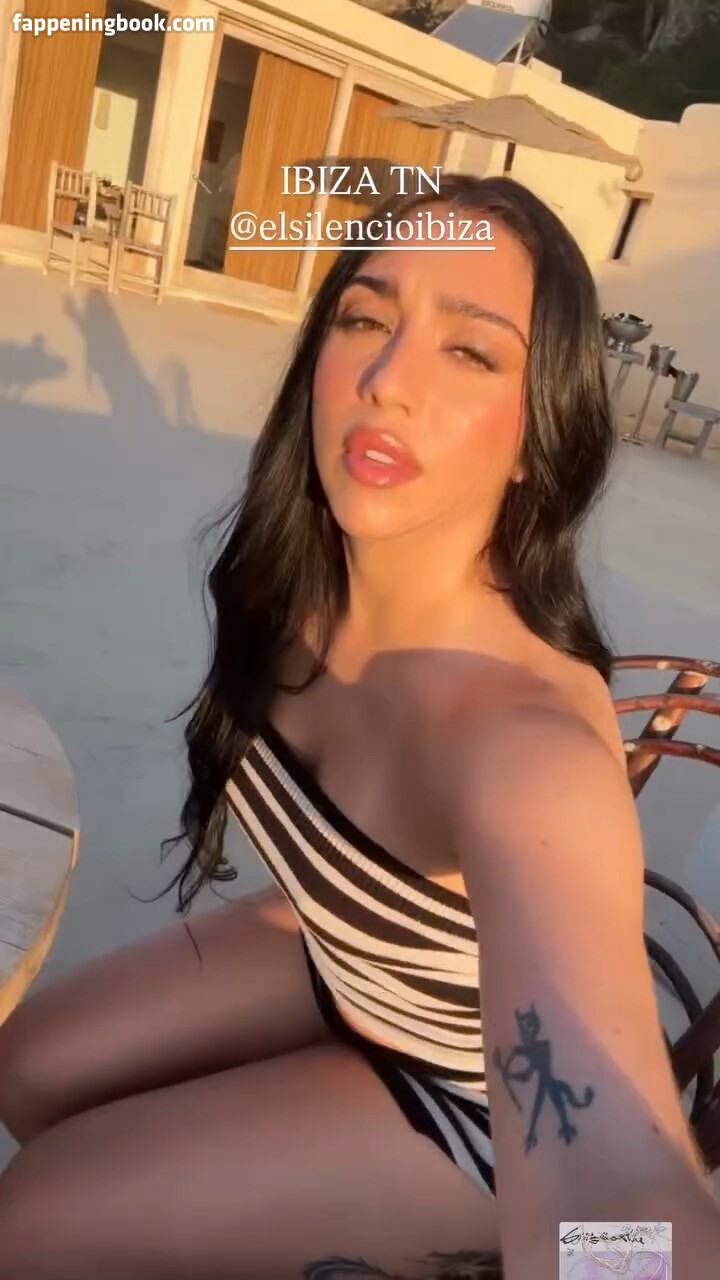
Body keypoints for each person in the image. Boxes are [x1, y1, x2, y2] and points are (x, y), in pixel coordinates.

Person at [0, 174, 718, 1280]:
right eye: (366, 319)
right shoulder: (293, 580)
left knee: (33, 1217)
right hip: (348, 954)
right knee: (26, 1065)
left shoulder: (525, 744)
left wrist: (617, 1256)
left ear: (536, 437)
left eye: (469, 351)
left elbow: (614, 1179)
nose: (388, 382)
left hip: (468, 1107)